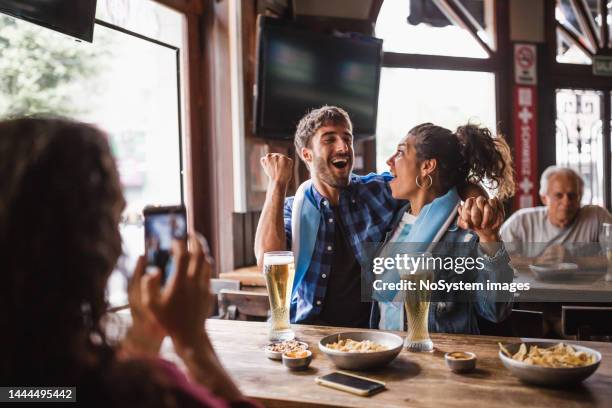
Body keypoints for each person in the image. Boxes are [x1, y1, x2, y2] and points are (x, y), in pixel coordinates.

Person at [0, 117, 258, 407]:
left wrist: (144, 335)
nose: (119, 243)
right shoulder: (144, 392)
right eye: (113, 219)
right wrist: (193, 345)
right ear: (84, 243)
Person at [254, 106, 495, 328]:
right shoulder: (293, 209)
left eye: (347, 138)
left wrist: (480, 204)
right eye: (329, 139)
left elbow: (437, 182)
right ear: (306, 155)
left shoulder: (377, 192)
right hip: (308, 331)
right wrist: (276, 184)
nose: (343, 147)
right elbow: (269, 261)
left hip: (369, 340)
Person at [374, 122, 516, 334]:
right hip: (385, 353)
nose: (390, 161)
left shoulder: (467, 232)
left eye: (401, 152)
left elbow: (495, 310)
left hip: (438, 359)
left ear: (427, 166)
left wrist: (490, 240)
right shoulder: (393, 218)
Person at [500, 166, 612, 266]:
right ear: (544, 198)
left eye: (572, 195)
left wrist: (576, 260)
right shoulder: (522, 220)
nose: (566, 201)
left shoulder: (597, 216)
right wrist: (536, 261)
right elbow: (495, 257)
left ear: (580, 197)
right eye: (559, 195)